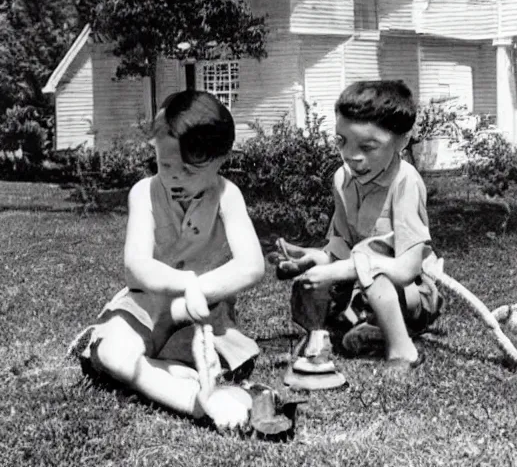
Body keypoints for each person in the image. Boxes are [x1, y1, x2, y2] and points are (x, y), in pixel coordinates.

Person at [70, 90, 266, 431]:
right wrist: (186, 283)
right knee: (114, 352)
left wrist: (199, 290)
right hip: (146, 306)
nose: (174, 176)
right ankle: (199, 399)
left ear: (221, 158)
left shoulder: (226, 195)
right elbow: (137, 266)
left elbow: (251, 266)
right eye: (164, 164)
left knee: (177, 358)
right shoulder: (144, 192)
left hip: (200, 312)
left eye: (189, 170)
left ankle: (187, 388)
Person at [274, 80, 443, 389]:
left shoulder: (405, 182)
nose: (352, 156)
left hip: (412, 293)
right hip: (360, 286)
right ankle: (318, 340)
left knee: (373, 273)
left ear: (401, 142)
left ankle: (402, 349)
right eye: (342, 141)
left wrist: (338, 269)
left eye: (367, 146)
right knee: (316, 275)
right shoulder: (343, 179)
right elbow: (342, 242)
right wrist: (316, 258)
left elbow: (405, 270)